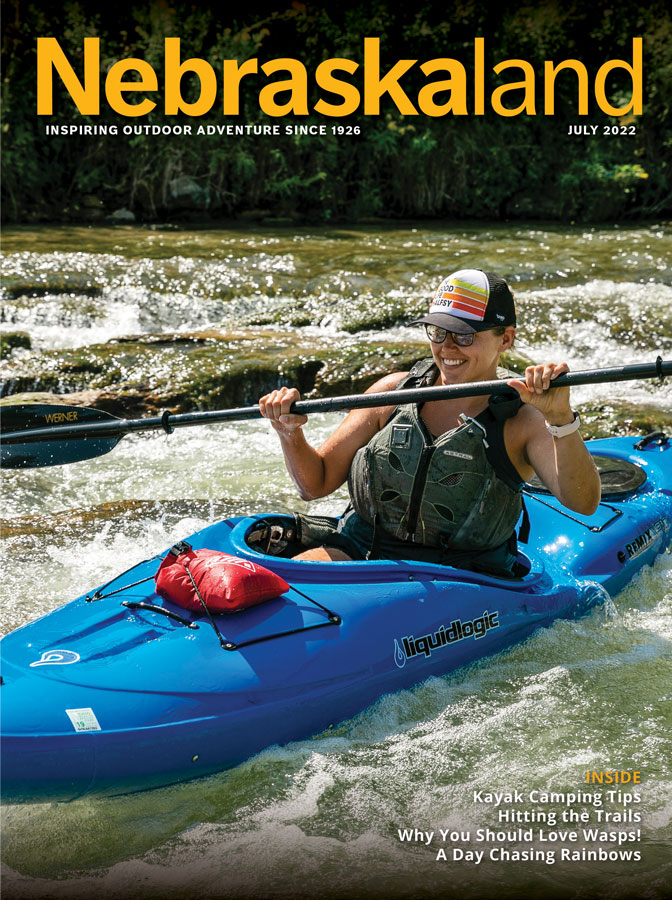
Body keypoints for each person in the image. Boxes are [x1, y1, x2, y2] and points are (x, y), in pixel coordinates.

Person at [259, 268, 601, 576]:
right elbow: (314, 484)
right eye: (437, 332)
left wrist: (560, 419)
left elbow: (583, 503)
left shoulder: (524, 416)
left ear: (505, 339)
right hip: (364, 551)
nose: (446, 347)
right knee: (281, 588)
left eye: (464, 336)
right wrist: (290, 432)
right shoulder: (392, 392)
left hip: (463, 576)